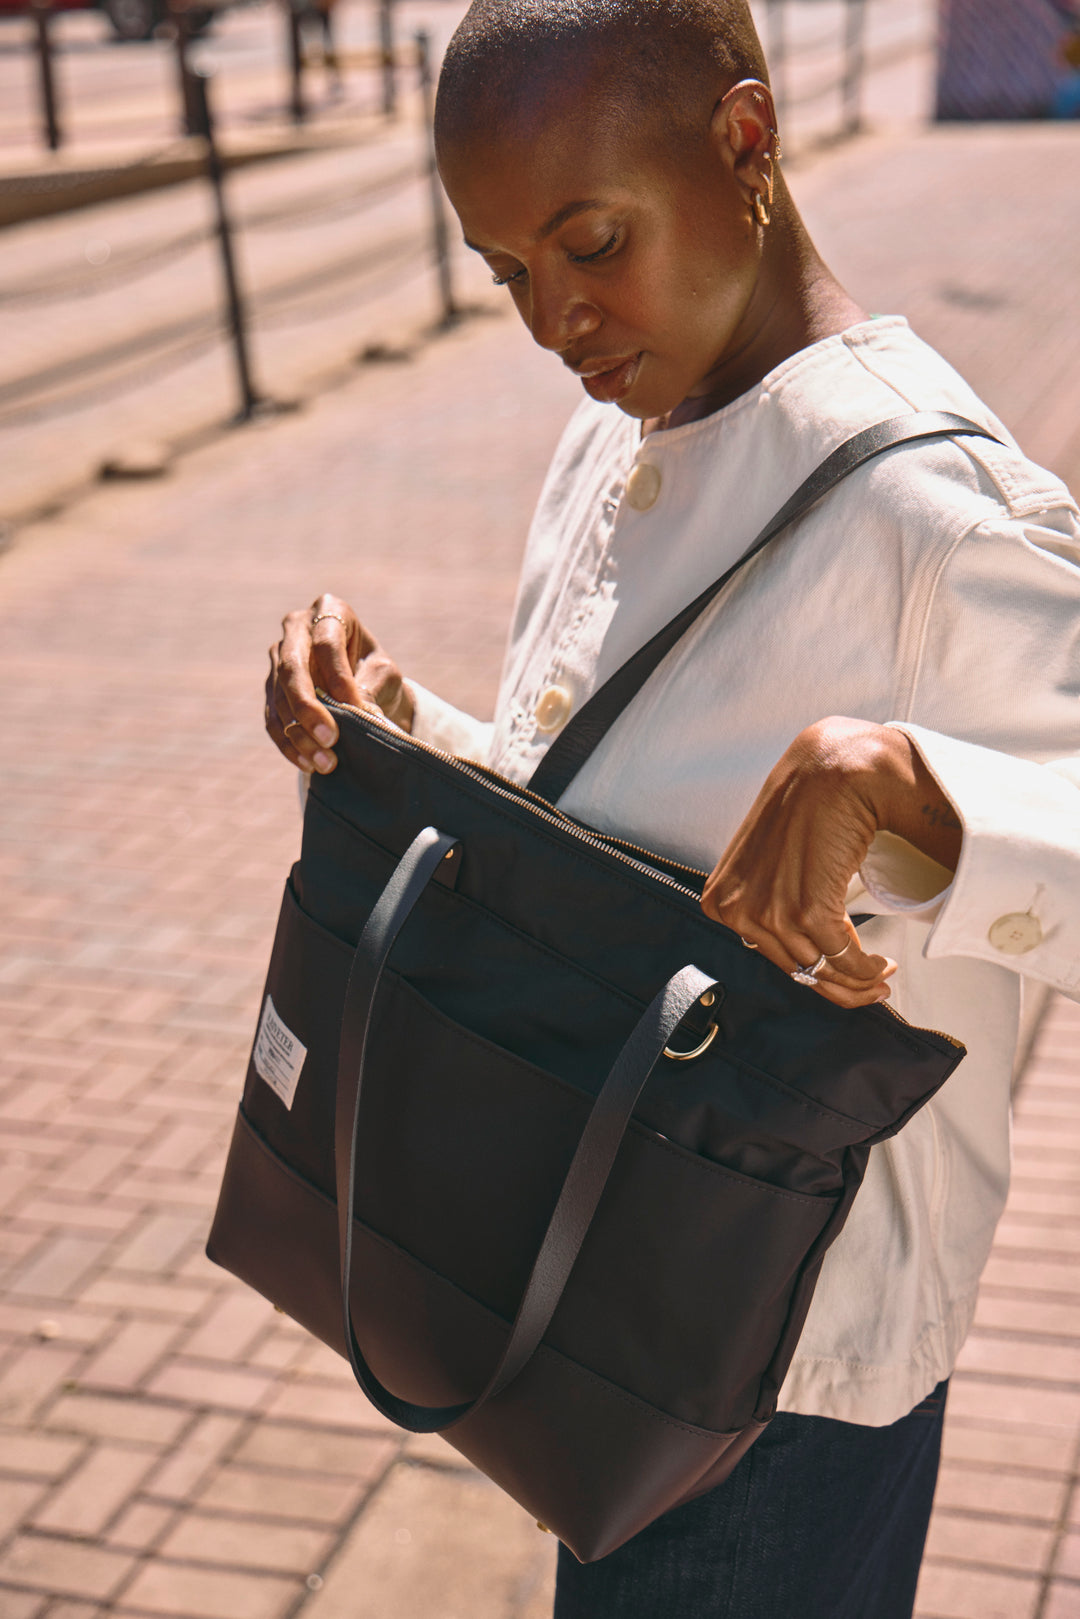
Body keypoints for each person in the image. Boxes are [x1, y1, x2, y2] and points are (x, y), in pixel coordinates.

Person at [264, 1, 1080, 1612]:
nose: (556, 318)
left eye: (590, 241)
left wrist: (922, 793)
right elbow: (598, 828)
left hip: (787, 1383)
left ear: (749, 141)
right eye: (507, 273)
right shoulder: (615, 434)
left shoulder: (945, 517)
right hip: (602, 1302)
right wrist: (398, 726)